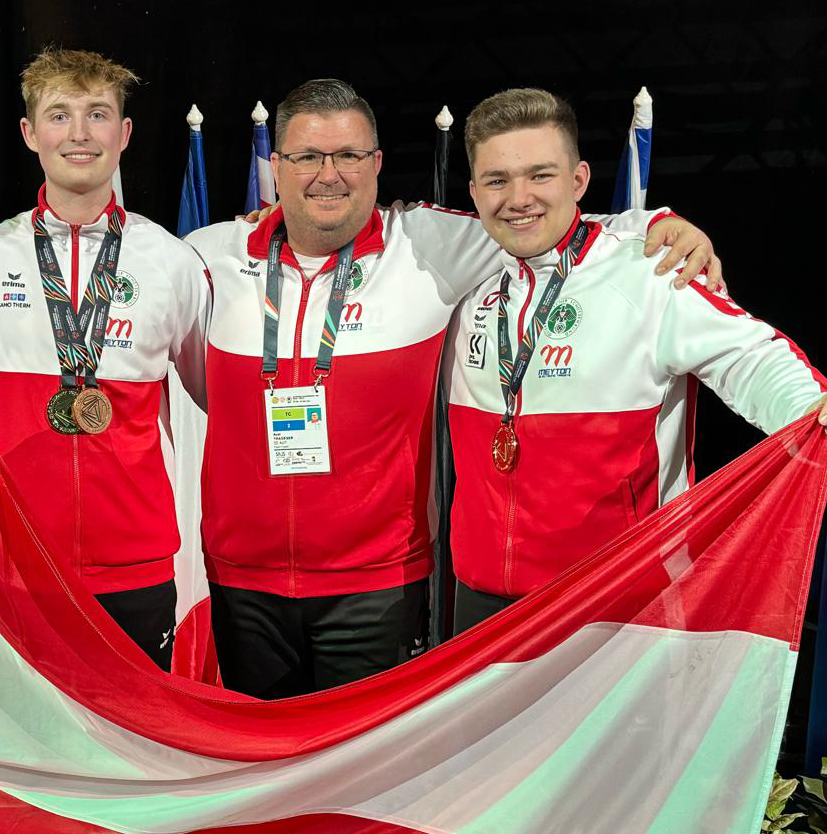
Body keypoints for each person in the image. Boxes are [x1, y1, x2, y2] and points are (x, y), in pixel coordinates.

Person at [183, 79, 720, 699]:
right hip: (239, 581)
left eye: (349, 156)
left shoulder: (429, 243)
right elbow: (197, 381)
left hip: (380, 585)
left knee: (372, 779)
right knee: (267, 768)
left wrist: (661, 223)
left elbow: (542, 221)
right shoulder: (209, 255)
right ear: (276, 167)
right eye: (307, 157)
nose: (328, 174)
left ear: (377, 164)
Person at [444, 88, 827, 631]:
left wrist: (815, 413)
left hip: (616, 595)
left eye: (540, 175)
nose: (519, 197)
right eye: (497, 180)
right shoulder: (462, 279)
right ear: (475, 192)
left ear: (578, 180)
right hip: (482, 599)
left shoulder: (650, 271)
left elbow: (748, 354)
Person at [0, 48, 210, 671]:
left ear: (125, 134)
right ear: (30, 134)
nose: (80, 133)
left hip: (136, 563)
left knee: (133, 754)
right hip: (15, 562)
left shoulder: (170, 262)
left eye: (98, 114)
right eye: (59, 115)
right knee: (24, 753)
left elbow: (214, 394)